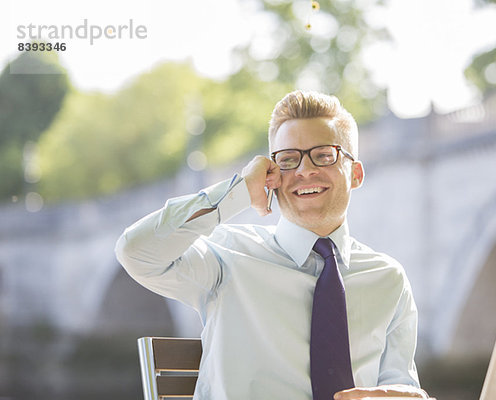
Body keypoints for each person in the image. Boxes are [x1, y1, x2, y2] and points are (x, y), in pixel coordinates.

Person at [115, 90, 430, 400]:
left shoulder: (388, 279)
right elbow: (136, 252)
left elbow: (399, 386)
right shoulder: (225, 258)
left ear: (356, 174)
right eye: (288, 160)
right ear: (271, 175)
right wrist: (237, 191)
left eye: (323, 155)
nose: (305, 171)